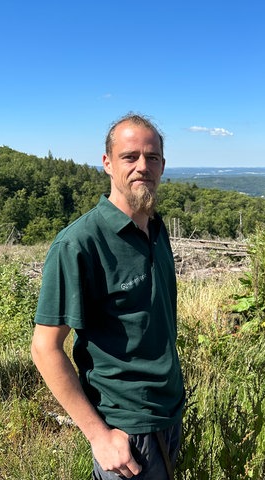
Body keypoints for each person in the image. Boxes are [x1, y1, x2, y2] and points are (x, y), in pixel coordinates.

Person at [31, 113, 185, 479]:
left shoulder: (156, 230)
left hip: (169, 415)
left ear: (163, 165)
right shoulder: (80, 243)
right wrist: (99, 436)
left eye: (152, 157)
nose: (142, 166)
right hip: (125, 432)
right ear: (107, 163)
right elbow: (44, 347)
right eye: (130, 157)